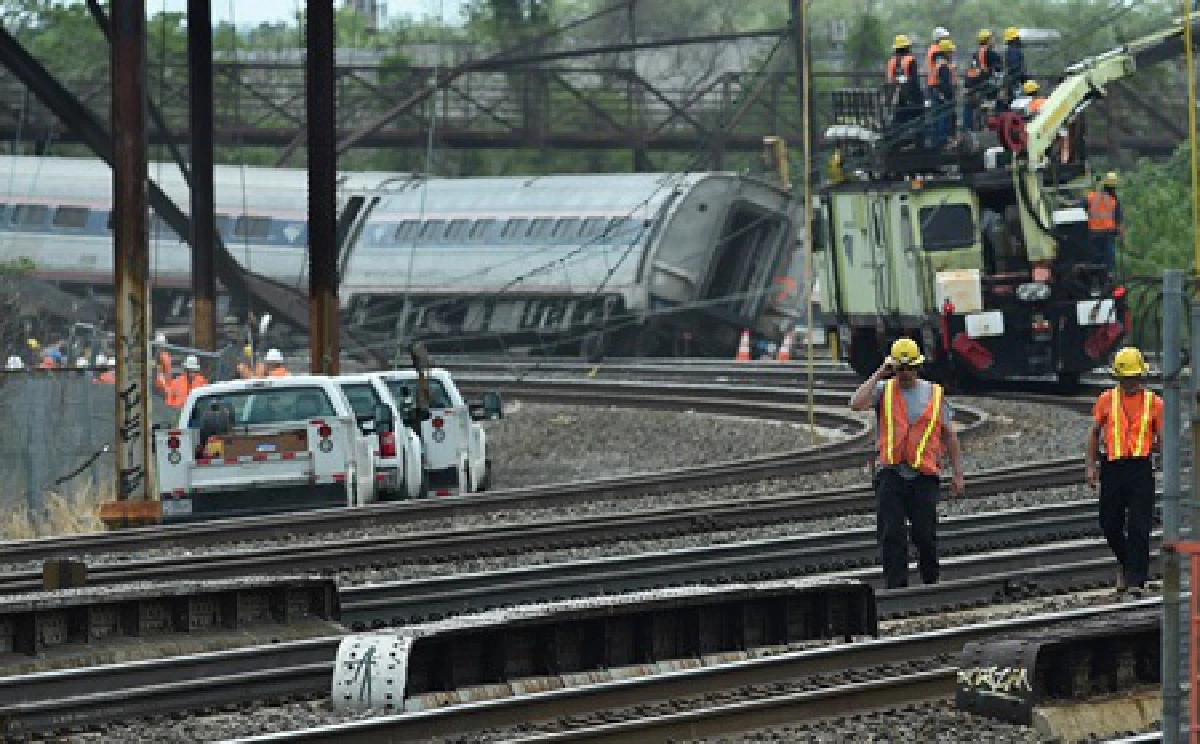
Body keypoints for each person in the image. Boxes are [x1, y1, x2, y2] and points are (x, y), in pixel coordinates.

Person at [850, 337, 965, 589]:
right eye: (900, 369)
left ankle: (930, 582)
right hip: (890, 473)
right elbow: (855, 403)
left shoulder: (934, 393)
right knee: (891, 534)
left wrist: (958, 473)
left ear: (918, 366)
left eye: (910, 368)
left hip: (924, 475)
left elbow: (950, 435)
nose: (905, 374)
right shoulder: (884, 390)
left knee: (925, 534)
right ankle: (896, 587)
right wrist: (880, 372)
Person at [1085, 346, 1162, 593]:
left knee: (1140, 526)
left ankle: (1135, 579)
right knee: (1109, 523)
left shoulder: (1154, 402)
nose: (1130, 383)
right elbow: (1094, 432)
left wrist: (1160, 454)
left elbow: (1162, 436)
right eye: (1125, 378)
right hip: (1113, 468)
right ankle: (1129, 566)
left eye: (1134, 378)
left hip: (1140, 468)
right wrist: (1091, 465)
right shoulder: (1106, 400)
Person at [886, 35, 924, 144]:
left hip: (898, 98)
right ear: (907, 47)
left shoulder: (892, 62)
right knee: (919, 122)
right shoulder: (910, 60)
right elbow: (915, 81)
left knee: (898, 122)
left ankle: (895, 144)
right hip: (913, 97)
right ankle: (918, 145)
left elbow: (890, 81)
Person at [1082, 172, 1123, 271]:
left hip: (1094, 232)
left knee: (1094, 257)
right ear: (1114, 187)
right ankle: (1108, 274)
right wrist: (1122, 238)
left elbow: (1083, 207)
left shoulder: (1091, 196)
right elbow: (1118, 222)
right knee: (1108, 257)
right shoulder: (1114, 201)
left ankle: (1094, 274)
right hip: (1108, 233)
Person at [963, 29, 1002, 131]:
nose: (993, 40)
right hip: (984, 84)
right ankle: (992, 125)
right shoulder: (991, 53)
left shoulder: (975, 53)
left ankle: (968, 128)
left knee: (969, 106)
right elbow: (998, 70)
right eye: (992, 39)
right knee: (998, 101)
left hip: (971, 85)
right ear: (988, 40)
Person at [929, 39, 957, 149]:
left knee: (939, 117)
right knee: (944, 117)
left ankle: (939, 140)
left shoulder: (939, 63)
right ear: (945, 52)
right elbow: (946, 84)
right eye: (950, 52)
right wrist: (949, 96)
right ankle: (943, 140)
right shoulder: (943, 66)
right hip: (943, 95)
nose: (951, 54)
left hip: (937, 92)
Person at [1002, 27, 1027, 106]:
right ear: (1014, 39)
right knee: (1015, 103)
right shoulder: (1014, 51)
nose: (1019, 39)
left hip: (1012, 81)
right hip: (1014, 82)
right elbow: (1015, 67)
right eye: (1017, 37)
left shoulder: (1010, 50)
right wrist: (1024, 79)